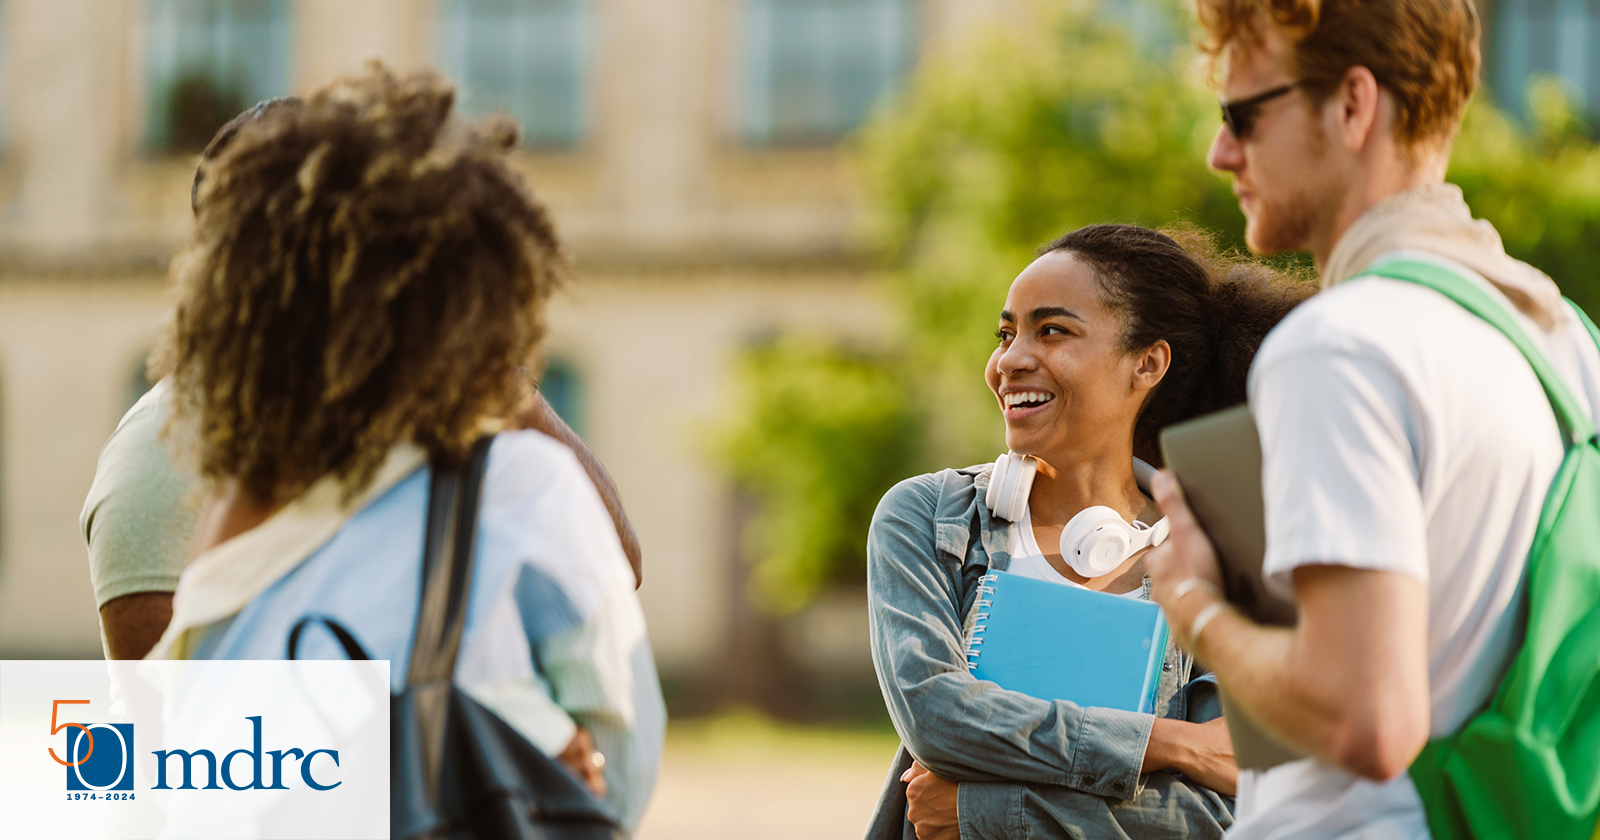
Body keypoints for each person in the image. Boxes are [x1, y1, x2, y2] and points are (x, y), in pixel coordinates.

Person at [135, 64, 665, 829]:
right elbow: (620, 776)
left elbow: (178, 764)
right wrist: (528, 740)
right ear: (475, 290)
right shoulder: (522, 485)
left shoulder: (237, 499)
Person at [1143, 1, 1600, 838]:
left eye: (1243, 115)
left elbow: (1366, 720)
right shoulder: (1562, 338)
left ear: (1353, 105)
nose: (1221, 153)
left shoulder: (1339, 344)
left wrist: (1197, 605)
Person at [82, 97, 644, 663]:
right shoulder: (160, 460)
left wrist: (492, 374)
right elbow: (173, 734)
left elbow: (609, 572)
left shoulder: (416, 410)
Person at [865, 224, 1310, 840]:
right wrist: (1170, 743)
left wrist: (989, 813)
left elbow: (1229, 814)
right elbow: (937, 719)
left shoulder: (1222, 552)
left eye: (1052, 331)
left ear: (1147, 363)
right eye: (1006, 333)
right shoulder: (928, 518)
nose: (1010, 360)